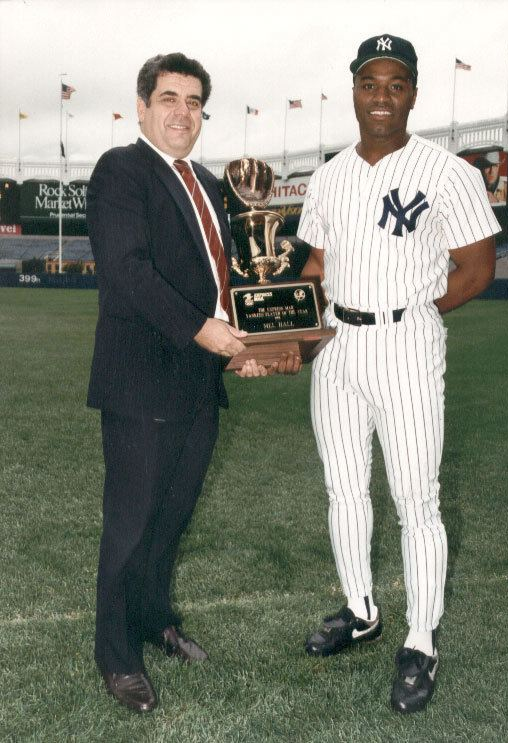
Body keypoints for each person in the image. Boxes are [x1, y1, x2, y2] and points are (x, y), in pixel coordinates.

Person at [87, 52, 297, 713]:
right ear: (143, 106)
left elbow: (225, 285)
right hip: (141, 383)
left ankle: (155, 619)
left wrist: (247, 344)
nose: (183, 111)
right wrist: (205, 331)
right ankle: (115, 653)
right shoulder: (121, 170)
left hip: (198, 385)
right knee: (130, 525)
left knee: (170, 519)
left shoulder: (210, 184)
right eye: (169, 98)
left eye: (194, 101)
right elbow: (127, 271)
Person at [298, 33, 500, 714]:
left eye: (395, 84)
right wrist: (292, 334)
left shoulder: (449, 173)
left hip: (405, 343)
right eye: (369, 82)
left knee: (417, 498)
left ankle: (419, 639)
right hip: (336, 345)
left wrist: (412, 307)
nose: (381, 96)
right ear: (352, 88)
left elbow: (476, 270)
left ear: (412, 92)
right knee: (342, 489)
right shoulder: (326, 176)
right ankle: (359, 609)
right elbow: (314, 270)